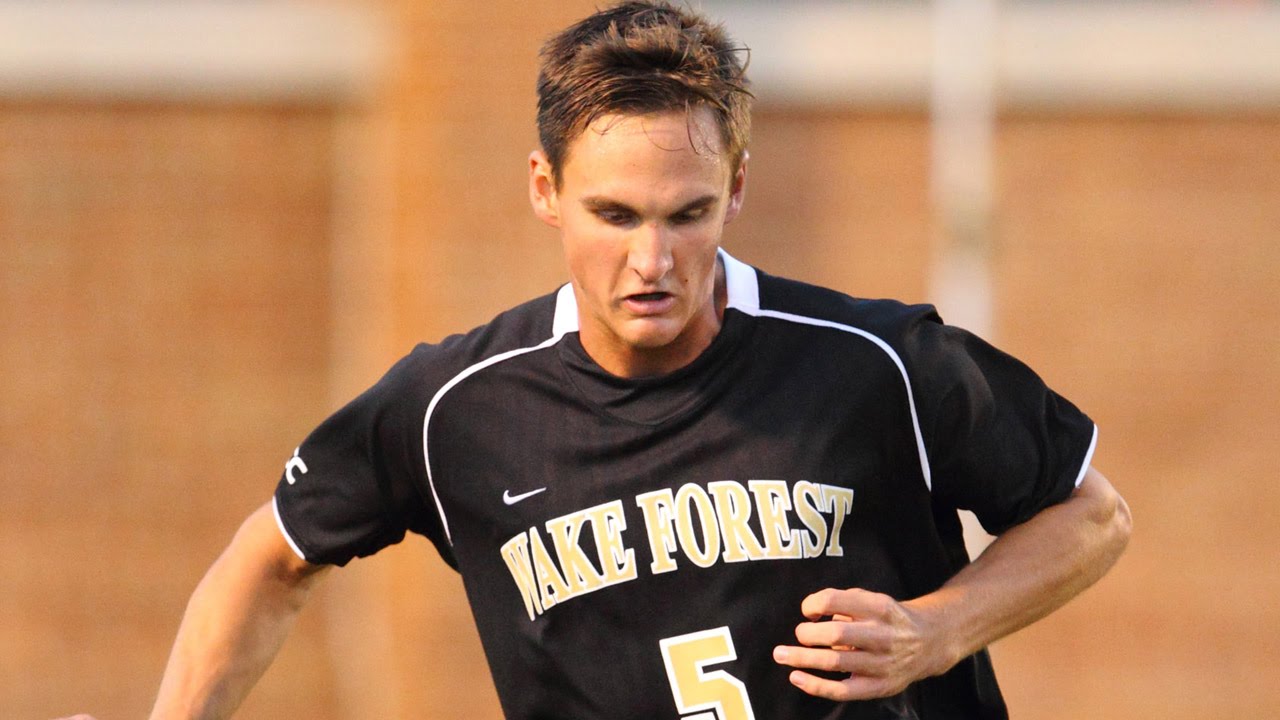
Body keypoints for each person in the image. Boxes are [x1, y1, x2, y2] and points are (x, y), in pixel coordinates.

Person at [62, 2, 1131, 719]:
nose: (651, 260)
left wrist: (934, 633)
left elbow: (1092, 514)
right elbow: (271, 558)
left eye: (688, 213)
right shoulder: (455, 409)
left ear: (738, 189)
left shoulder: (879, 363)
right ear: (542, 188)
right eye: (612, 214)